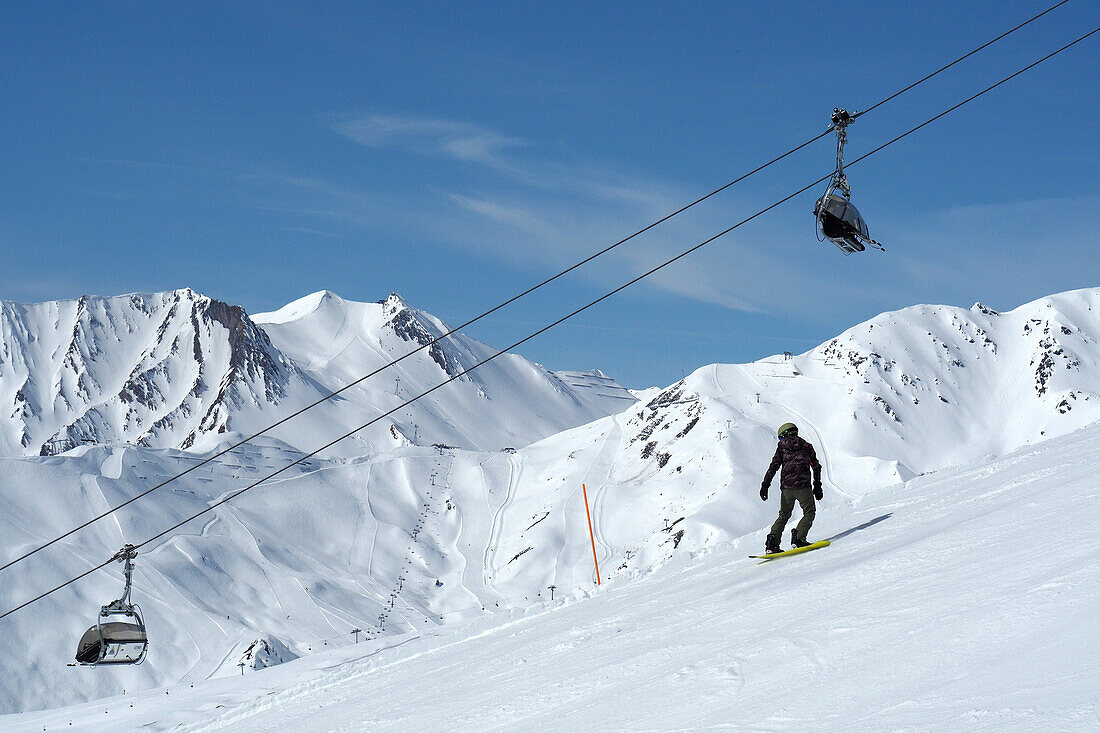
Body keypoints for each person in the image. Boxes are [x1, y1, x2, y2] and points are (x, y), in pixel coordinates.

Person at [759, 422, 823, 554]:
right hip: (803, 487)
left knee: (783, 515)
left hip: (787, 489)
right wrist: (817, 485)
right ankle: (799, 538)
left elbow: (774, 467)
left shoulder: (781, 448)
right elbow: (816, 466)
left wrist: (765, 484)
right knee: (809, 512)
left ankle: (772, 543)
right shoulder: (806, 446)